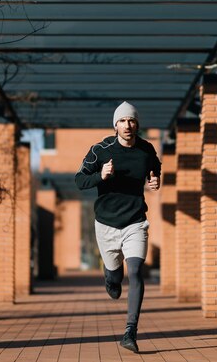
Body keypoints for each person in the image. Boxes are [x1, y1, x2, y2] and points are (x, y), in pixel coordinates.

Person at [75, 101, 161, 353]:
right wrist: (100, 175)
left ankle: (129, 332)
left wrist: (154, 181)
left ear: (137, 124)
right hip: (106, 224)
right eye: (122, 121)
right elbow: (79, 180)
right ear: (115, 125)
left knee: (135, 271)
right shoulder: (101, 150)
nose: (127, 125)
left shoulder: (146, 149)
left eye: (131, 120)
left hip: (135, 220)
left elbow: (154, 168)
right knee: (116, 278)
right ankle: (111, 279)